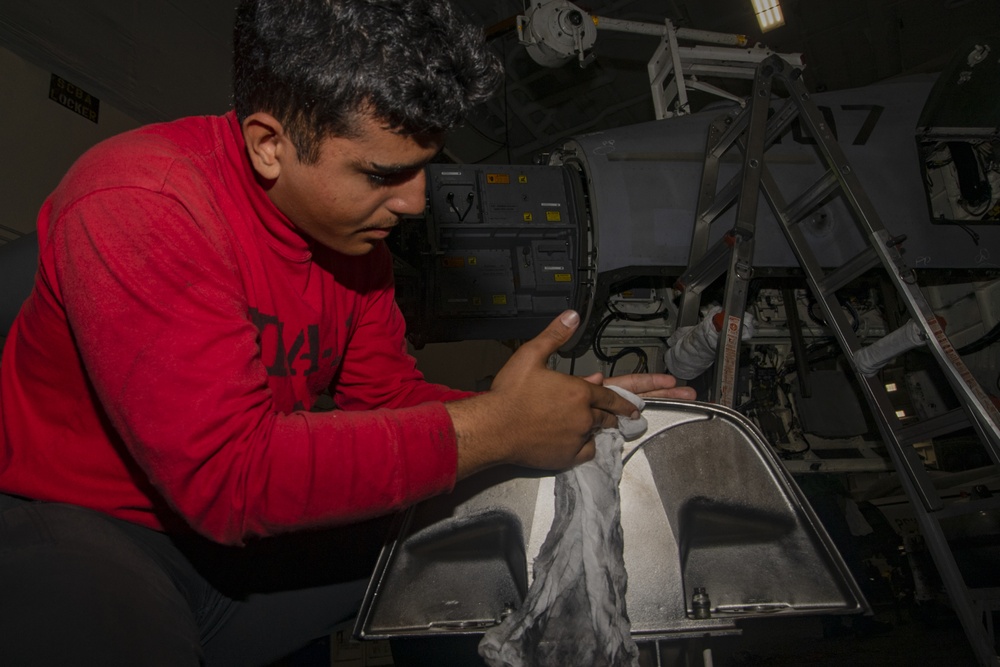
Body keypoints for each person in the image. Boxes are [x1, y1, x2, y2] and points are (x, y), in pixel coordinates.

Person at [0, 1, 695, 665]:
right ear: (270, 145)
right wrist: (495, 428)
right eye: (383, 173)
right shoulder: (140, 203)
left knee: (506, 529)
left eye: (426, 166)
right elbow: (229, 478)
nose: (417, 200)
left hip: (235, 548)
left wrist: (554, 410)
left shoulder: (359, 252)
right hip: (81, 523)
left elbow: (388, 396)